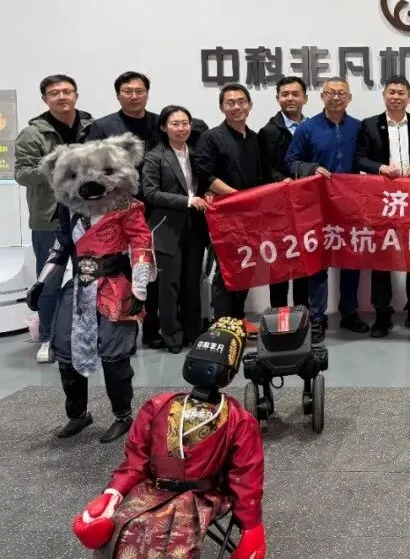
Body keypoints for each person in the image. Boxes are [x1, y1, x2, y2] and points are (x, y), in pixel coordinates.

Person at [71, 317, 266, 559]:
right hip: (194, 496)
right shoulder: (239, 419)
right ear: (230, 373)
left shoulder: (157, 406)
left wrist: (115, 491)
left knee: (131, 539)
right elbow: (245, 477)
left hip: (174, 493)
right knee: (150, 543)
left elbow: (135, 461)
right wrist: (250, 524)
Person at [28, 133, 155, 443]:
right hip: (78, 287)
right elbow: (61, 245)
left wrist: (140, 289)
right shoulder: (70, 209)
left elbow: (141, 244)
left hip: (115, 285)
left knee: (114, 354)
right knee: (65, 350)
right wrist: (41, 282)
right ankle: (78, 413)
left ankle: (122, 414)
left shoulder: (126, 206)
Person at [13, 74, 92, 364]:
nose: (61, 96)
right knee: (49, 281)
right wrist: (59, 165)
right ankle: (47, 337)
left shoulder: (91, 127)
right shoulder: (33, 133)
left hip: (88, 216)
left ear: (76, 95)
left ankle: (86, 335)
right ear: (45, 99)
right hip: (50, 218)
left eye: (67, 91)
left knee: (90, 278)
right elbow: (22, 174)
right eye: (54, 93)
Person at [85, 72, 165, 349]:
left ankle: (152, 328)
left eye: (139, 91)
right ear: (118, 94)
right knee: (121, 273)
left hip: (156, 207)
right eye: (128, 91)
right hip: (118, 210)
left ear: (147, 93)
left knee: (151, 269)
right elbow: (91, 167)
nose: (134, 96)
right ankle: (124, 333)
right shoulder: (103, 127)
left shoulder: (159, 123)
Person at [285, 77, 367, 342]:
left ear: (349, 98)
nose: (336, 97)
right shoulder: (307, 128)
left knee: (351, 261)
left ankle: (349, 313)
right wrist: (311, 169)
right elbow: (291, 161)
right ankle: (317, 318)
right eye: (330, 92)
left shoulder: (359, 127)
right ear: (322, 97)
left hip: (351, 206)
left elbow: (366, 160)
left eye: (341, 93)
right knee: (318, 263)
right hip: (317, 206)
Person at [353, 75, 410, 338]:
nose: (396, 97)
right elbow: (359, 158)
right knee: (381, 258)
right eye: (392, 92)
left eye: (401, 93)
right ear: (384, 95)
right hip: (382, 201)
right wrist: (380, 168)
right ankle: (382, 315)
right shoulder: (369, 125)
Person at [194, 84, 283, 323]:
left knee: (246, 267)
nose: (236, 107)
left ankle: (238, 319)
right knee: (225, 271)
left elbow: (265, 175)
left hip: (251, 215)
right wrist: (237, 196)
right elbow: (204, 173)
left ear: (250, 105)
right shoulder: (211, 137)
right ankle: (224, 324)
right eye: (230, 103)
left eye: (241, 101)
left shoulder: (254, 138)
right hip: (224, 215)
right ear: (222, 107)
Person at [140, 106, 210, 354]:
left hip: (195, 226)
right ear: (163, 127)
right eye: (175, 124)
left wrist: (208, 193)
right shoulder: (154, 156)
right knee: (169, 285)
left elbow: (205, 182)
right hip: (166, 227)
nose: (181, 128)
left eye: (185, 123)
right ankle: (172, 337)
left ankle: (193, 333)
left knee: (192, 282)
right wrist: (187, 201)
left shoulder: (197, 153)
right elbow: (150, 193)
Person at [258, 76, 310, 314]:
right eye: (285, 94)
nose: (290, 98)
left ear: (305, 98)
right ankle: (278, 317)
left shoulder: (312, 127)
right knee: (279, 265)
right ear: (277, 98)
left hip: (307, 207)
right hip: (277, 208)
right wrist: (282, 181)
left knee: (304, 264)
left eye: (295, 94)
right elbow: (265, 167)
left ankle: (302, 315)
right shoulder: (268, 132)